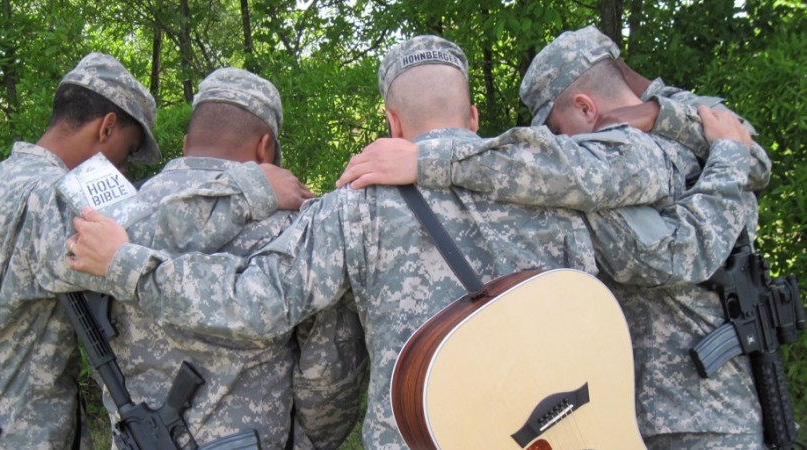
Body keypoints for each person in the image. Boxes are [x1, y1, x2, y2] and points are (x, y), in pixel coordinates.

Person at [62, 35, 753, 449]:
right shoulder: (556, 178)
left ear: (391, 122)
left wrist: (126, 265)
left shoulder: (354, 208)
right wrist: (726, 156)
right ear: (475, 113)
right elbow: (669, 256)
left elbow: (257, 304)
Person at [339, 26, 770, 449]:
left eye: (558, 133)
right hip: (631, 414)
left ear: (585, 108)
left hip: (695, 417)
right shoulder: (704, 145)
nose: (560, 146)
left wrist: (429, 156)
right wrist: (715, 145)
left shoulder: (634, 159)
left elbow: (665, 249)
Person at [89, 67, 365, 449]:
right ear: (264, 148)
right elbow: (327, 370)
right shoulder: (293, 224)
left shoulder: (109, 226)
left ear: (186, 143)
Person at [0, 52, 160, 450]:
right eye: (127, 150)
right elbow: (154, 269)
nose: (122, 169)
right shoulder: (57, 199)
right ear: (107, 128)